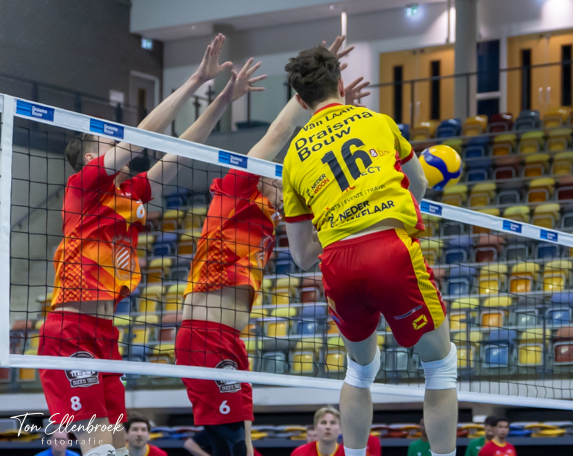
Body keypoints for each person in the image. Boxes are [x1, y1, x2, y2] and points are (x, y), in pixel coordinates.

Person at [38, 35, 264, 456]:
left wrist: (222, 100)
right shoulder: (84, 187)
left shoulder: (132, 194)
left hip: (105, 334)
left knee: (118, 450)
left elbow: (181, 150)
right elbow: (139, 136)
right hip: (71, 333)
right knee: (99, 449)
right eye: (107, 141)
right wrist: (196, 79)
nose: (116, 143)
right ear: (90, 159)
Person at [175, 36, 368, 456]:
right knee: (230, 445)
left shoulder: (273, 215)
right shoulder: (237, 189)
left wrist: (341, 114)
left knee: (244, 441)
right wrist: (322, 85)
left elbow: (314, 245)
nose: (279, 178)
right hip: (207, 335)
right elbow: (279, 132)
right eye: (275, 174)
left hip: (229, 339)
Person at [282, 45, 458, 456]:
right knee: (440, 367)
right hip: (389, 252)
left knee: (360, 371)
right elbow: (419, 183)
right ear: (341, 85)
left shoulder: (293, 157)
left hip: (337, 263)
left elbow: (301, 257)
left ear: (301, 101)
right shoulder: (378, 122)